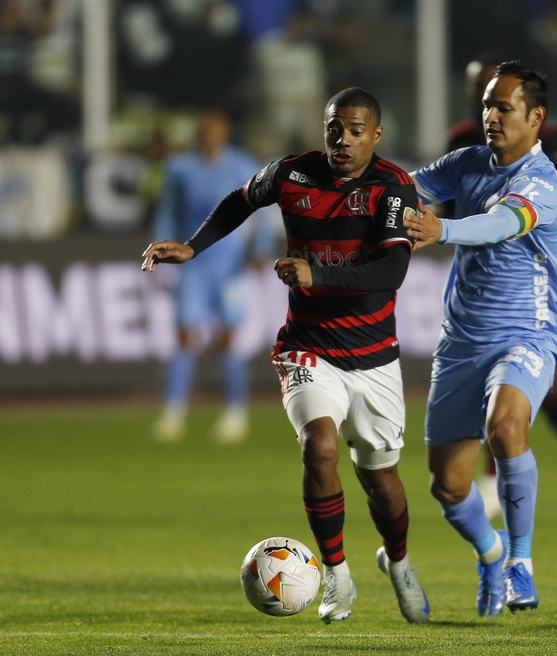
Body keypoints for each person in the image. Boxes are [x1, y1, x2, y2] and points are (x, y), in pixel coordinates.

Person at [141, 87, 430, 625]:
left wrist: (315, 274)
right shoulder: (292, 174)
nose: (342, 139)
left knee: (382, 481)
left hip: (373, 355)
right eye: (334, 128)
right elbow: (238, 200)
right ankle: (338, 575)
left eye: (355, 130)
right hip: (307, 347)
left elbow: (392, 270)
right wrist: (193, 246)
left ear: (377, 135)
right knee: (320, 446)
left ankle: (399, 561)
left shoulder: (393, 187)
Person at [405, 61, 557, 616]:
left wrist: (441, 228)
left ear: (535, 117)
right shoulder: (466, 163)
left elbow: (501, 224)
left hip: (527, 333)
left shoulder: (543, 184)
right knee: (448, 487)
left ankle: (522, 563)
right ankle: (492, 553)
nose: (490, 116)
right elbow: (402, 192)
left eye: (504, 107)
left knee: (506, 423)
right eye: (486, 105)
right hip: (461, 341)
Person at [448, 53, 557, 529]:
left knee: (521, 365)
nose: (484, 101)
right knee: (516, 373)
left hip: (534, 271)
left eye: (493, 91)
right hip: (486, 277)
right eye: (477, 91)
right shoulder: (462, 142)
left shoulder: (549, 143)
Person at [150, 107, 277, 444]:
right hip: (193, 265)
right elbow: (168, 211)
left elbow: (261, 210)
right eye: (204, 129)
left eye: (214, 129)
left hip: (228, 266)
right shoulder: (179, 168)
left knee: (228, 338)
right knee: (185, 336)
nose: (209, 135)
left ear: (224, 132)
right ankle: (173, 413)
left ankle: (236, 413)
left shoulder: (242, 165)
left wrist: (263, 247)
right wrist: (159, 249)